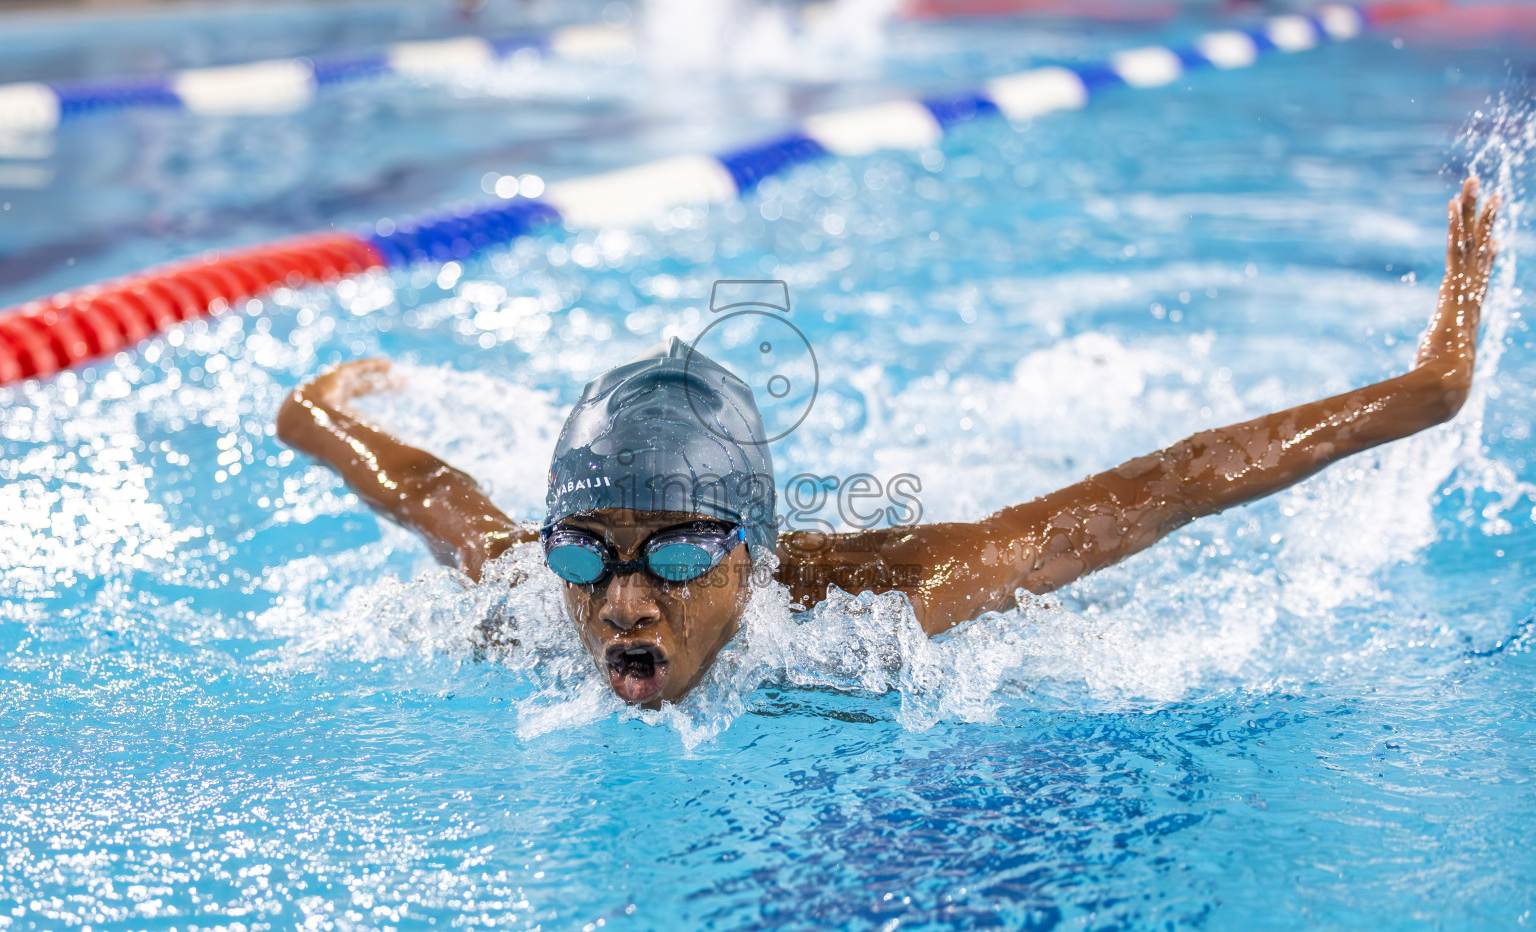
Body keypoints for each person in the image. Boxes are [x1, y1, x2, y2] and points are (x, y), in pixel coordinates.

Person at [277, 178, 1499, 707]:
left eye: (682, 554)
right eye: (590, 553)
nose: (626, 603)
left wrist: (1429, 387)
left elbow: (1164, 486)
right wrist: (318, 414)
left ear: (753, 551)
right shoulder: (531, 598)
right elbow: (432, 493)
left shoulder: (871, 606)